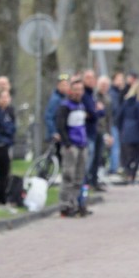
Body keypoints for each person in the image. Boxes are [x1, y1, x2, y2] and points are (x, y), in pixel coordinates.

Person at [56, 77, 89, 217]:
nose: (78, 93)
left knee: (79, 177)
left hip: (82, 144)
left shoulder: (81, 105)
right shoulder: (65, 106)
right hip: (71, 145)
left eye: (80, 90)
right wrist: (67, 143)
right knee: (68, 175)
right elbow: (61, 125)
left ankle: (76, 202)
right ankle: (65, 205)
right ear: (70, 91)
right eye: (75, 90)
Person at [116, 80, 139, 182]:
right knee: (137, 156)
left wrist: (121, 128)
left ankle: (127, 173)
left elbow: (119, 117)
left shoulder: (126, 102)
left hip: (126, 130)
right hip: (136, 132)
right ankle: (132, 175)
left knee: (128, 155)